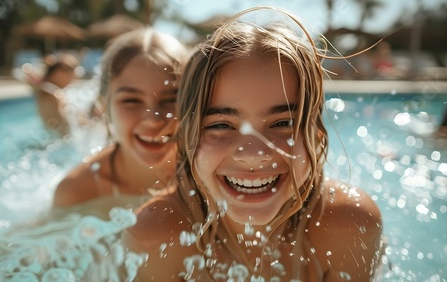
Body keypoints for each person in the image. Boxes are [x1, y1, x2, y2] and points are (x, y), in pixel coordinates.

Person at [122, 7, 384, 281]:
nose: (254, 155)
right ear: (187, 140)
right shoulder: (155, 236)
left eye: (283, 123)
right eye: (221, 125)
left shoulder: (348, 224)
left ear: (316, 135)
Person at [52, 27, 190, 211]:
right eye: (131, 100)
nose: (153, 120)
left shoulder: (210, 173)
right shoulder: (76, 192)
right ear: (103, 107)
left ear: (193, 101)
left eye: (171, 99)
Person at [31, 53, 79, 137]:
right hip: (57, 141)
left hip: (62, 139)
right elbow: (26, 73)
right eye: (71, 74)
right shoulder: (49, 92)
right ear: (59, 73)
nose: (73, 79)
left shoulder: (55, 92)